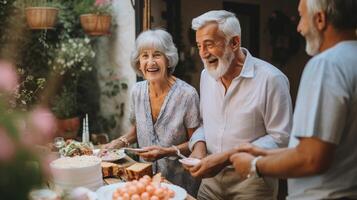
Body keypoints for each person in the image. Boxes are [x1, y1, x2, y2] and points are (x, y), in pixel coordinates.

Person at [230, 0, 357, 199]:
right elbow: (326, 147)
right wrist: (263, 153)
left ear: (320, 19)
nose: (299, 27)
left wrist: (254, 165)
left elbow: (312, 158)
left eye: (301, 17)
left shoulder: (326, 65)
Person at [185, 10, 293, 200]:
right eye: (199, 45)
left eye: (209, 45)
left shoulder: (272, 79)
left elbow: (282, 139)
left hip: (253, 182)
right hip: (210, 182)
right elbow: (205, 123)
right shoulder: (206, 76)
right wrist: (199, 147)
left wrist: (225, 158)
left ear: (234, 42)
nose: (202, 53)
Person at [102, 29, 204, 195]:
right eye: (145, 56)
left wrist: (166, 151)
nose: (150, 62)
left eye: (157, 55)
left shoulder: (187, 94)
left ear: (168, 59)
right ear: (138, 62)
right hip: (146, 181)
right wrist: (118, 142)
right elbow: (136, 131)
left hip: (179, 185)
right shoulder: (137, 91)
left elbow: (196, 143)